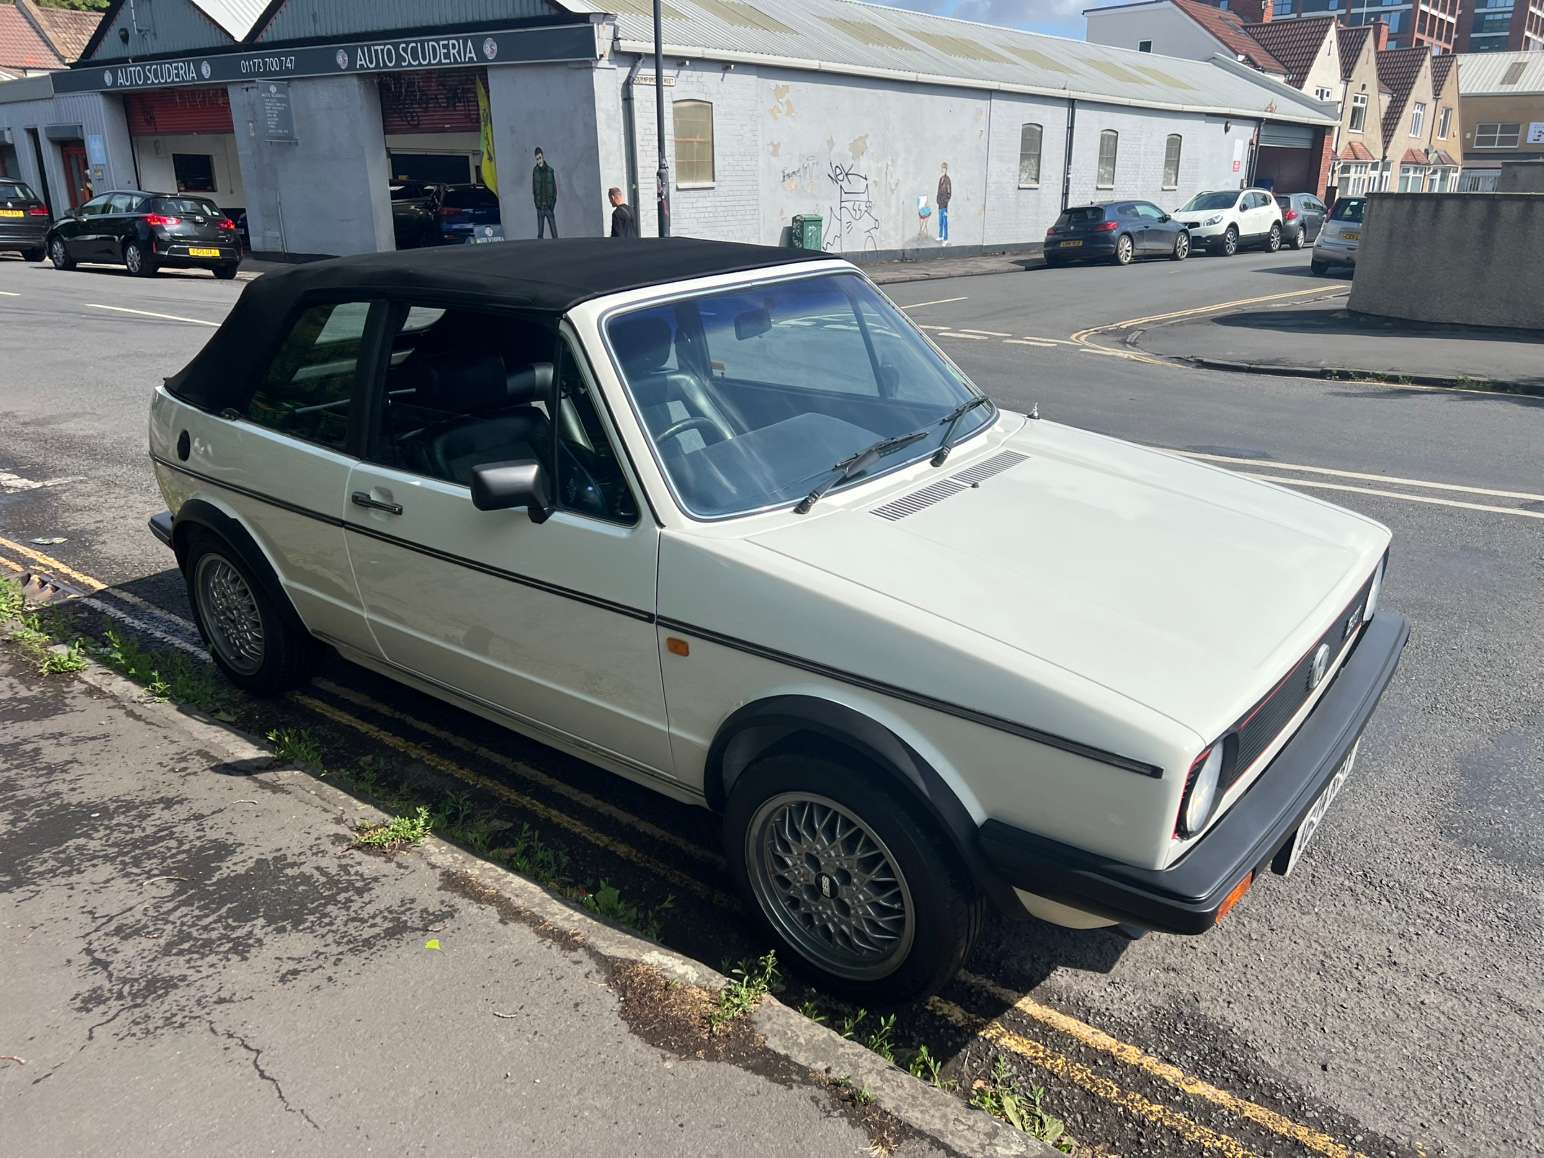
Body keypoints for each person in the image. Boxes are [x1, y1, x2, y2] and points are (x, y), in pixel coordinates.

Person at [532, 147, 558, 239]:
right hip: (540, 208)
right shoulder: (535, 171)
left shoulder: (550, 171)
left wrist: (552, 205)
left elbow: (554, 190)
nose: (539, 160)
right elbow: (534, 190)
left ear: (543, 156)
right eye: (537, 159)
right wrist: (537, 204)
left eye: (540, 158)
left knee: (554, 234)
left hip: (549, 207)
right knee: (540, 235)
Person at [936, 162, 952, 244]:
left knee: (945, 222)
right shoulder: (941, 179)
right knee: (940, 221)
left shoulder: (947, 180)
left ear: (946, 169)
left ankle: (945, 239)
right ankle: (940, 236)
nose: (943, 170)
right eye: (942, 168)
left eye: (944, 168)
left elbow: (949, 193)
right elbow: (938, 190)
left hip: (944, 205)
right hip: (940, 204)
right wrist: (937, 200)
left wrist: (946, 202)